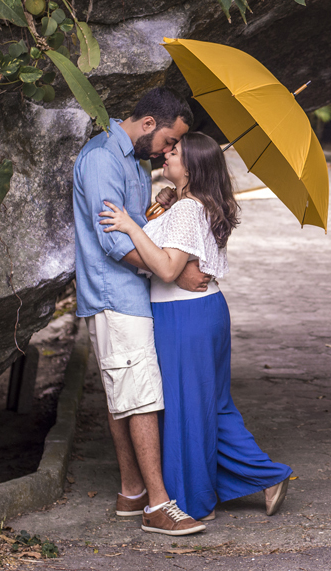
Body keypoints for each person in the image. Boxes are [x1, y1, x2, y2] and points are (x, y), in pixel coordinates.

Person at [99, 131, 292, 521]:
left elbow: (169, 268)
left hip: (183, 316)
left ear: (193, 167)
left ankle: (191, 502)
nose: (166, 153)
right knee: (213, 408)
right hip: (205, 312)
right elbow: (175, 252)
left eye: (176, 151)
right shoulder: (191, 204)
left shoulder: (189, 209)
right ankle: (268, 477)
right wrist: (161, 209)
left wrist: (129, 225)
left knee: (187, 409)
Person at [73, 87, 211, 536]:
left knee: (125, 394)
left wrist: (156, 208)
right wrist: (172, 271)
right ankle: (157, 504)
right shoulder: (101, 160)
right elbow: (115, 243)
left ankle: (132, 492)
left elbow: (136, 225)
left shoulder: (134, 159)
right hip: (116, 294)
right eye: (171, 141)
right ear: (149, 124)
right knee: (143, 397)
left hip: (131, 294)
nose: (172, 151)